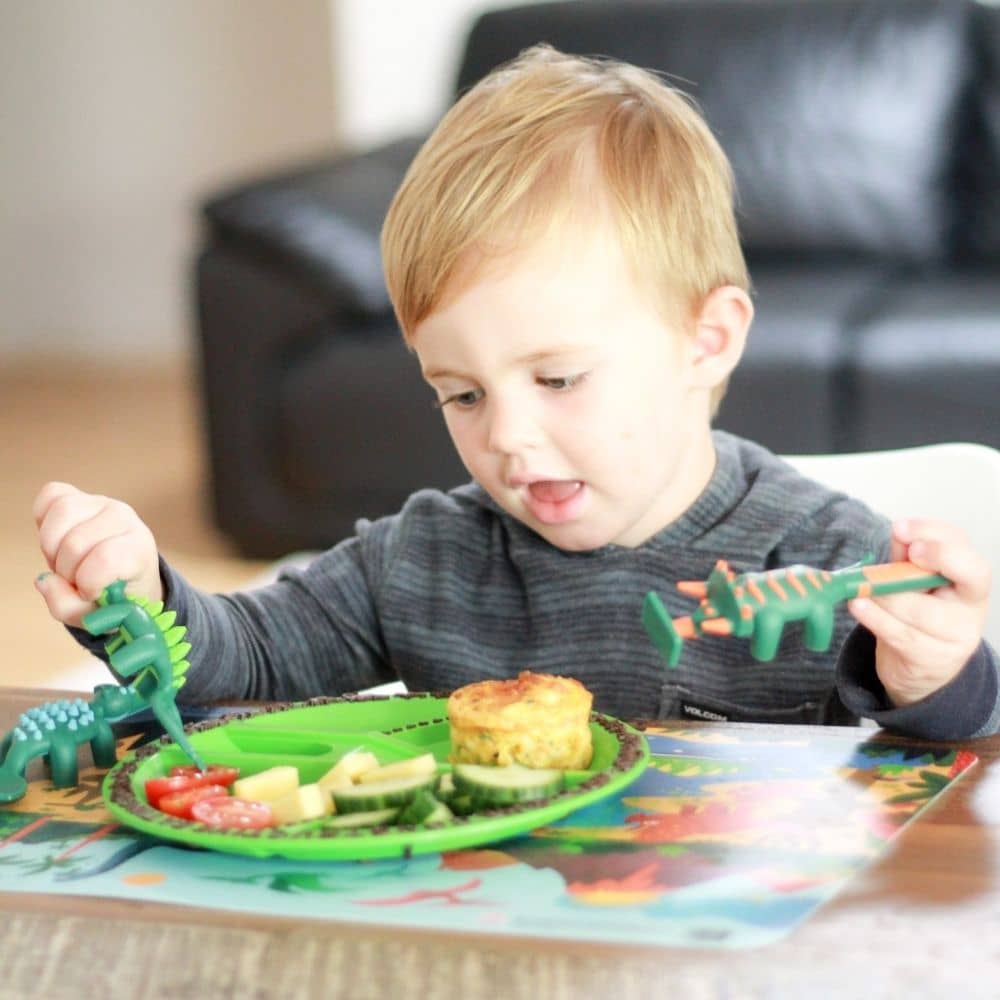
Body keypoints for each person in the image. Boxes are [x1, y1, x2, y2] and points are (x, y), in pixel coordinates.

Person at [33, 46, 996, 739]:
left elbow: (950, 772)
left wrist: (933, 677)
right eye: (461, 395)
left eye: (558, 378)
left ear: (707, 340)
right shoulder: (424, 560)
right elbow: (244, 658)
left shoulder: (833, 563)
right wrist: (141, 598)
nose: (510, 440)